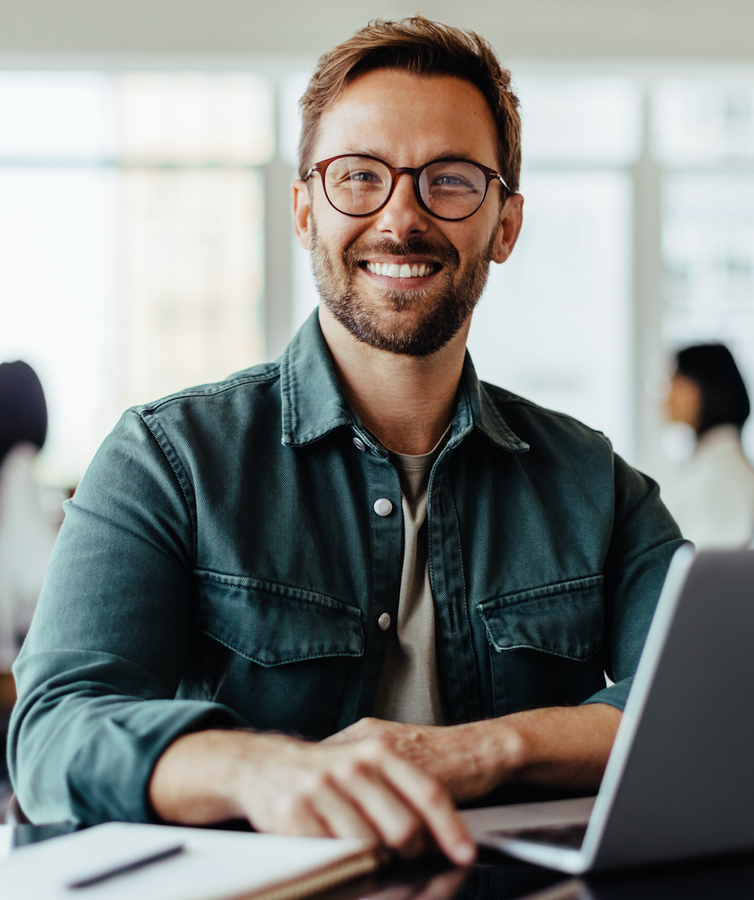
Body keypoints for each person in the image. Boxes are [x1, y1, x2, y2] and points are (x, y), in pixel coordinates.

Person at [9, 17, 682, 864]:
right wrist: (257, 769)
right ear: (303, 210)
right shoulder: (168, 460)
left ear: (505, 225)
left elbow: (707, 706)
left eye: (450, 180)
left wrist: (480, 749)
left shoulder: (598, 486)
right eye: (359, 176)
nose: (401, 218)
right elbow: (54, 732)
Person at [663, 343, 754, 548]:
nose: (665, 396)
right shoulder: (712, 464)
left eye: (673, 381)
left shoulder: (721, 474)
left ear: (697, 390)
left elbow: (703, 572)